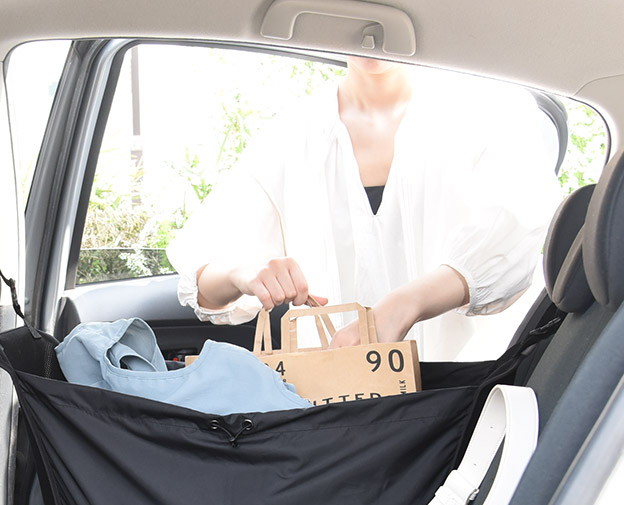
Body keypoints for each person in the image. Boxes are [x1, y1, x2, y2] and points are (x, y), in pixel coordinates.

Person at [169, 57, 561, 363]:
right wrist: (243, 272)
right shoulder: (290, 136)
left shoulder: (493, 110)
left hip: (471, 395)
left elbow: (510, 243)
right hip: (343, 404)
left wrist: (403, 306)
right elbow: (202, 284)